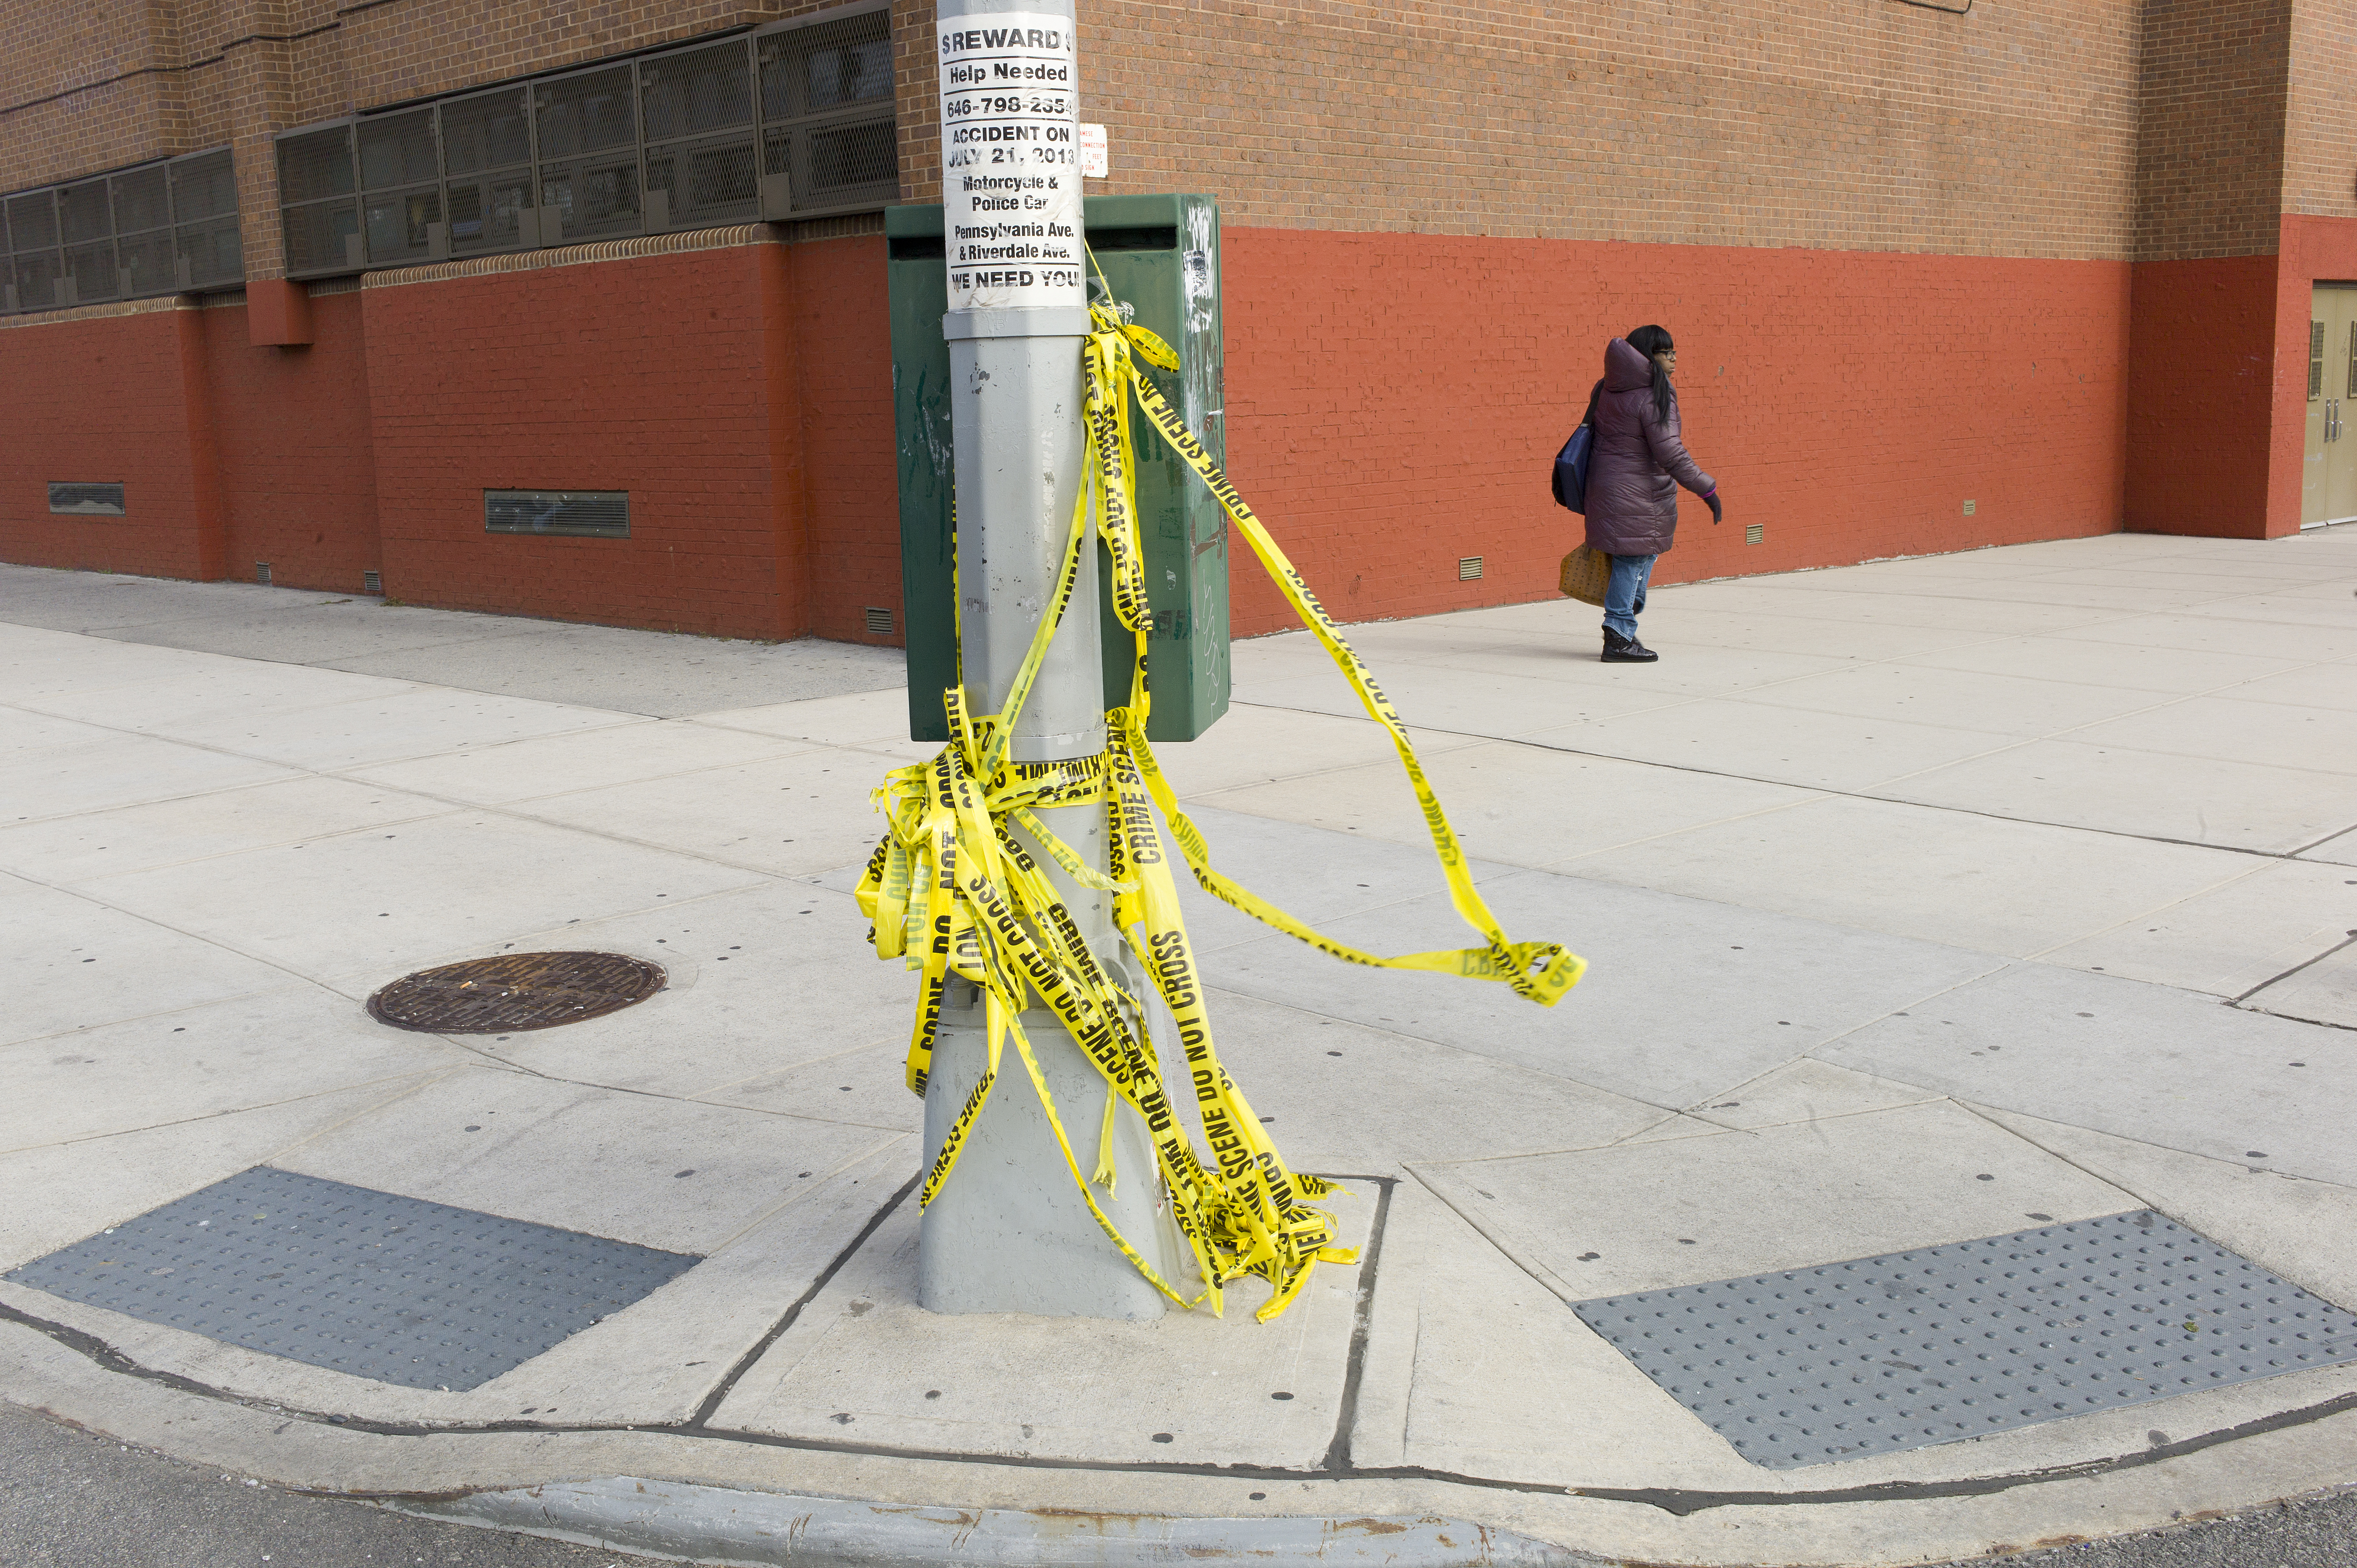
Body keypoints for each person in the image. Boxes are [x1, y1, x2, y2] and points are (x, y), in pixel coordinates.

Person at [1582, 324, 1722, 662]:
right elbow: (1670, 451)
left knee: (1636, 559)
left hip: (1607, 486)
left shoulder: (1608, 387)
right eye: (1666, 352)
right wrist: (1708, 489)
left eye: (1675, 352)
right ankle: (1617, 634)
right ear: (1649, 356)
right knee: (1632, 562)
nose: (1674, 359)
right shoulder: (1653, 393)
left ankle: (1624, 619)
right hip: (1636, 491)